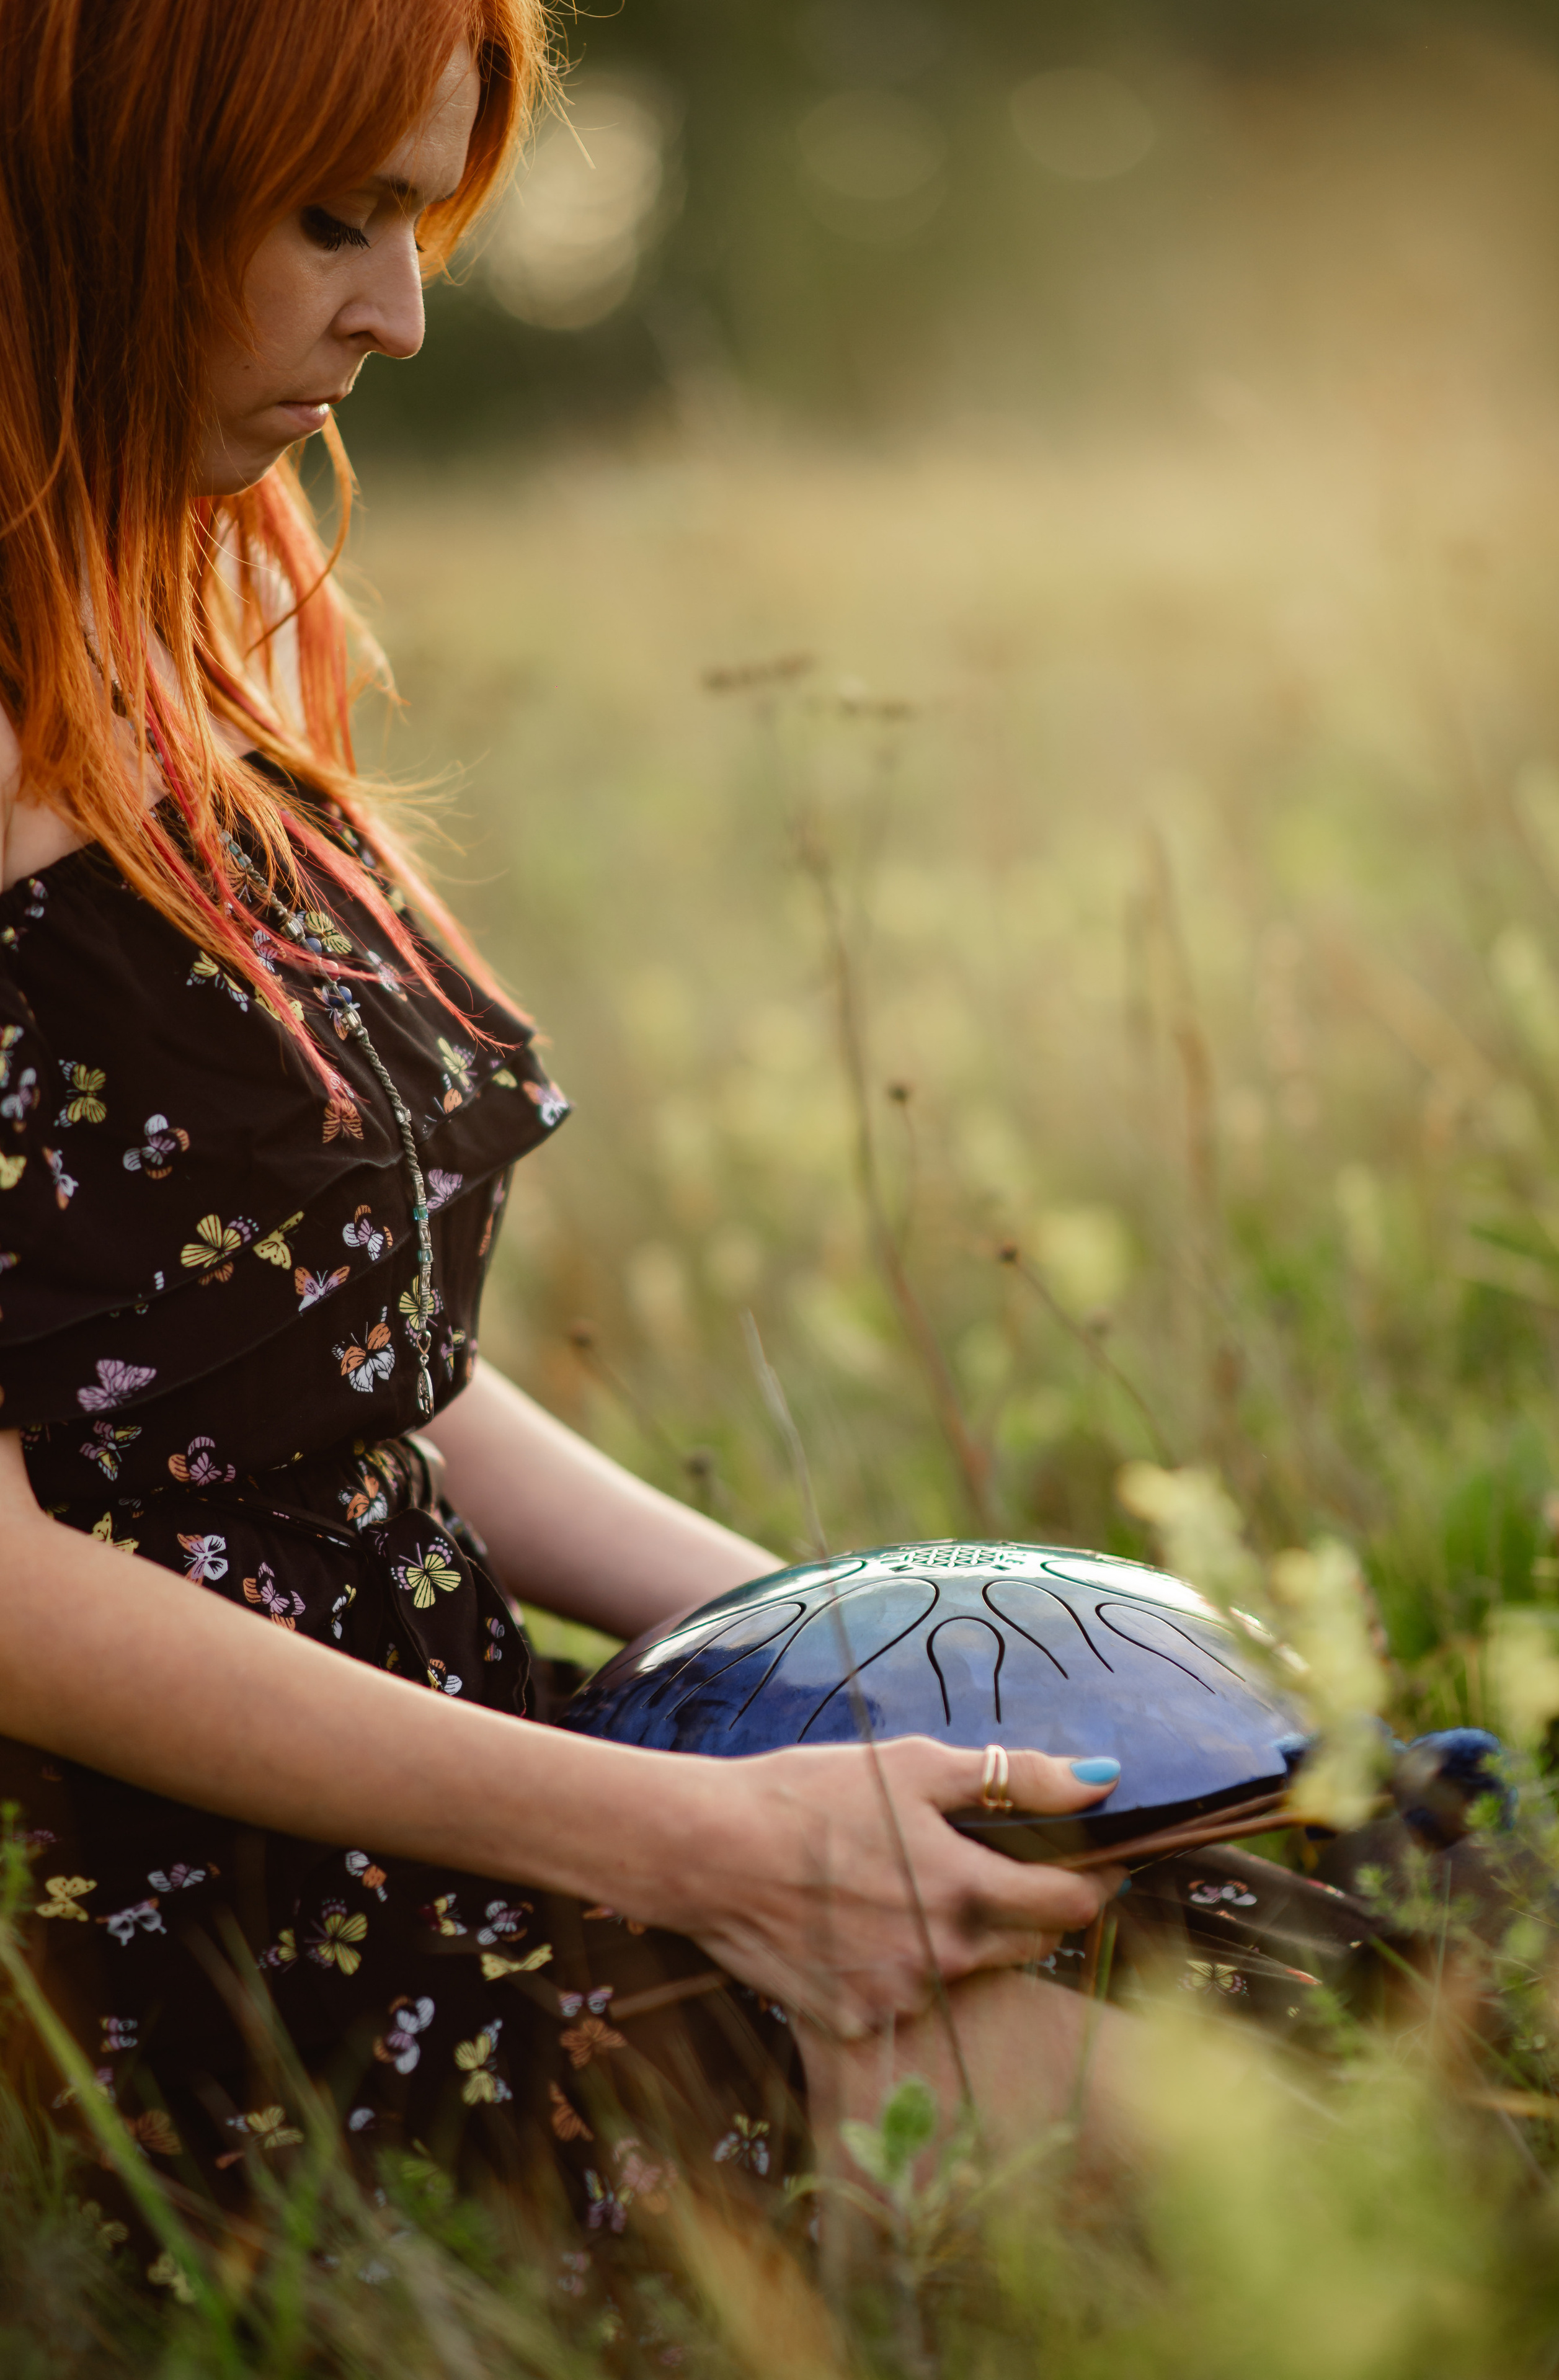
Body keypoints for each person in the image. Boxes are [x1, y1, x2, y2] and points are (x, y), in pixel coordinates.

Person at [0, 0, 1126, 2239]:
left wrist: (837, 1653)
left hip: (489, 1767)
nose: (398, 315)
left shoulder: (170, 592)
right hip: (187, 1927)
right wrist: (700, 1848)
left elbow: (317, 1381)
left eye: (423, 224)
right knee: (1266, 2141)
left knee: (1281, 1899)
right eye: (334, 219)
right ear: (76, 178)